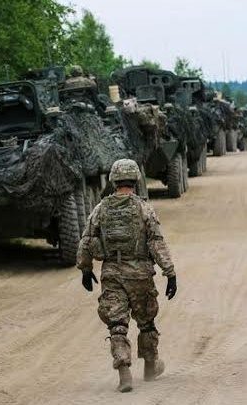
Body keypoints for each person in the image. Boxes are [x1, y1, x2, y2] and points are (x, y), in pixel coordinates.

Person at [77, 159, 177, 393]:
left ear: (113, 180)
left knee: (117, 324)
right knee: (146, 321)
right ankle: (150, 367)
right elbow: (155, 242)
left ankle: (124, 373)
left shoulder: (101, 208)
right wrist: (170, 272)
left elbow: (87, 239)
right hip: (140, 274)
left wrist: (85, 269)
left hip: (112, 273)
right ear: (136, 180)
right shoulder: (143, 208)